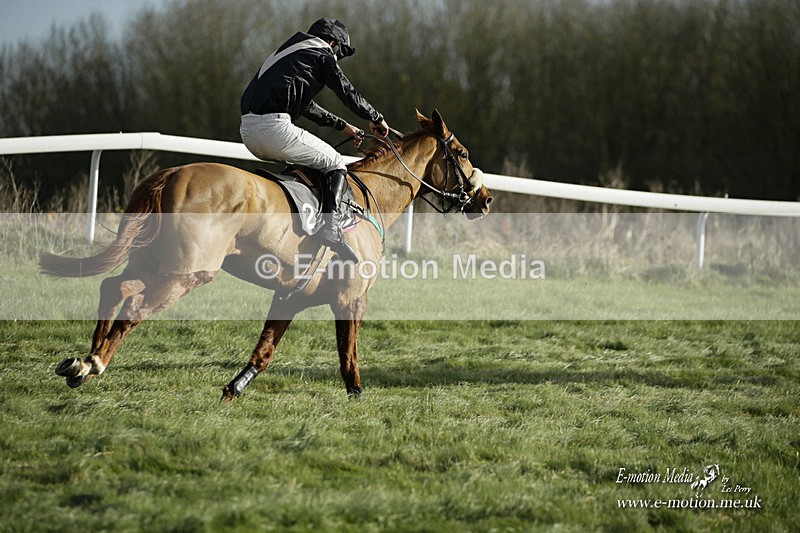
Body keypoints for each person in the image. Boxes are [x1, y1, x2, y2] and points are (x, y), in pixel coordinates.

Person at [240, 17, 390, 262]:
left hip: (248, 130)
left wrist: (344, 127)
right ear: (332, 42)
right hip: (273, 128)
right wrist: (374, 117)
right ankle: (329, 228)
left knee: (313, 165)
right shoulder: (321, 52)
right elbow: (346, 91)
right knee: (335, 162)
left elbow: (306, 105)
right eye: (339, 54)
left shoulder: (294, 51)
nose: (337, 59)